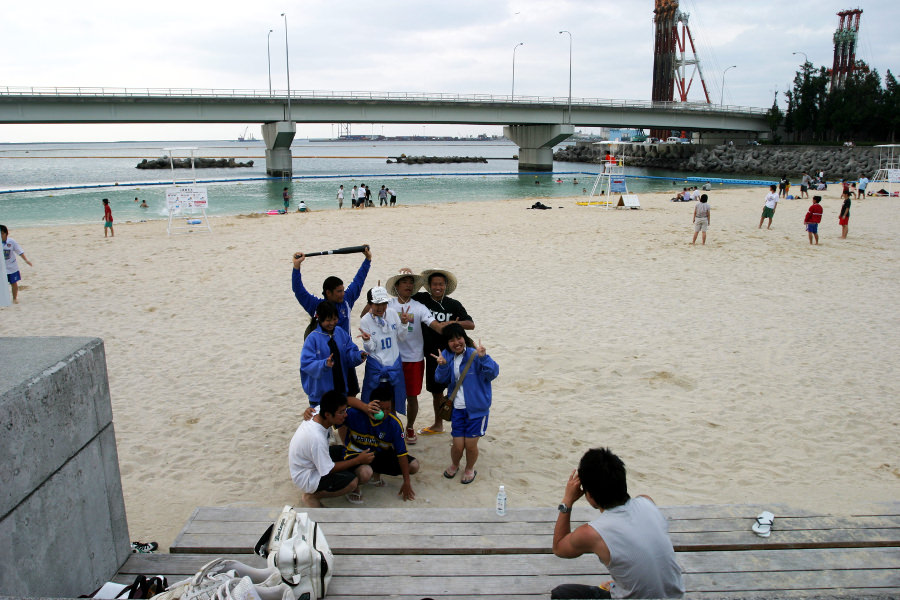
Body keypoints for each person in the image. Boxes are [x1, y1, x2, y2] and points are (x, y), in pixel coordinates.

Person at [551, 448, 685, 599]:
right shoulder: (647, 502)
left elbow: (558, 547)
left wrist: (567, 501)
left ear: (590, 496)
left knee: (561, 594)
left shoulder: (592, 533)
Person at [292, 246, 371, 395]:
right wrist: (297, 267)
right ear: (328, 293)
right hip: (325, 360)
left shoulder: (346, 300)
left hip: (345, 354)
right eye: (339, 291)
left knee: (351, 394)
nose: (343, 293)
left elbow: (358, 281)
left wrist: (367, 260)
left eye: (343, 290)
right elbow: (299, 291)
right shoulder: (316, 306)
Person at [433, 324, 499, 485]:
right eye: (451, 340)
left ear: (464, 338)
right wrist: (442, 366)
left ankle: (469, 468)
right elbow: (440, 380)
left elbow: (493, 373)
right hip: (457, 409)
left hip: (476, 410)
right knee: (457, 445)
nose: (456, 342)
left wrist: (484, 357)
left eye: (459, 338)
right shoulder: (447, 356)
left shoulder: (475, 355)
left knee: (470, 445)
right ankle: (455, 464)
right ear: (447, 343)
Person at [412, 269, 475, 436]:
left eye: (441, 284)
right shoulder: (422, 299)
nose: (438, 287)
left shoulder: (453, 304)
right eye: (435, 284)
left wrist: (452, 323)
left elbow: (471, 324)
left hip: (452, 352)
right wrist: (410, 274)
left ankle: (460, 426)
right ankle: (438, 424)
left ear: (446, 286)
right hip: (432, 353)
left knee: (458, 388)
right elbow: (407, 294)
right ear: (429, 286)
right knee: (436, 391)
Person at [288, 390, 374, 507]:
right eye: (341, 412)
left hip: (310, 462)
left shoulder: (319, 411)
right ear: (328, 414)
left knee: (341, 450)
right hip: (307, 476)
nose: (346, 415)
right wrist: (358, 460)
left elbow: (348, 400)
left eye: (345, 410)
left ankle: (347, 476)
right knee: (352, 483)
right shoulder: (316, 438)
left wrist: (365, 407)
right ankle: (312, 496)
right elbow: (329, 470)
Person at [385, 269, 443, 444]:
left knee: (412, 397)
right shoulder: (388, 305)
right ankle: (394, 426)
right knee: (392, 397)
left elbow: (435, 325)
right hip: (392, 358)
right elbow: (367, 315)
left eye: (411, 282)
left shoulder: (419, 307)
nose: (408, 285)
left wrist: (453, 328)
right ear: (397, 285)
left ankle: (409, 427)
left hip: (414, 359)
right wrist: (373, 297)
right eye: (404, 281)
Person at [341, 385, 419, 502]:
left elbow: (401, 454)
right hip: (356, 454)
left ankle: (376, 473)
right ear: (372, 405)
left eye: (389, 409)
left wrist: (406, 481)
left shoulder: (394, 424)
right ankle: (354, 486)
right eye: (382, 409)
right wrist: (363, 406)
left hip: (378, 456)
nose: (386, 413)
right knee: (365, 473)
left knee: (414, 466)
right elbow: (343, 400)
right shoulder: (354, 414)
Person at [300, 301, 366, 407]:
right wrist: (324, 364)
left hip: (340, 389)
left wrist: (359, 356)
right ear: (320, 319)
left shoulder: (340, 332)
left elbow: (349, 353)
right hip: (321, 396)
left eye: (335, 319)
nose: (332, 323)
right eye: (328, 320)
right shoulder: (312, 338)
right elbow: (306, 364)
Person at [357, 286, 409, 414]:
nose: (380, 308)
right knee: (375, 406)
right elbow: (371, 349)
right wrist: (367, 340)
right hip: (376, 369)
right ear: (370, 304)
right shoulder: (365, 321)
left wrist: (403, 323)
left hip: (394, 367)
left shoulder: (391, 313)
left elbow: (401, 338)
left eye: (383, 303)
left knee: (392, 405)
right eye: (376, 304)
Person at [2, 225, 33, 304]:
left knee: (14, 283)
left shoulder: (11, 242)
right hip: (2, 267)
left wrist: (26, 260)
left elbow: (19, 251)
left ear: (5, 233)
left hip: (12, 267)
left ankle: (14, 298)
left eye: (1, 233)